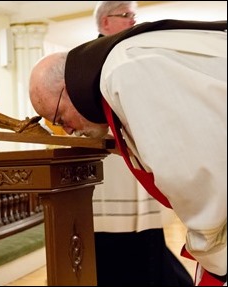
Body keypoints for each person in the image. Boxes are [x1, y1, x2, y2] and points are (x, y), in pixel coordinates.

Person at [29, 19, 227, 286]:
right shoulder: (116, 69)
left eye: (59, 117)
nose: (66, 131)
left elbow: (193, 174)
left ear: (68, 89)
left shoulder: (124, 72)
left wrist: (213, 253)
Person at [86, 2, 193, 285]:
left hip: (134, 155)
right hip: (111, 167)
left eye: (133, 14)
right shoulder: (87, 61)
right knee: (118, 246)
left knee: (147, 240)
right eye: (126, 15)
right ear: (105, 22)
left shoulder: (126, 54)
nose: (133, 20)